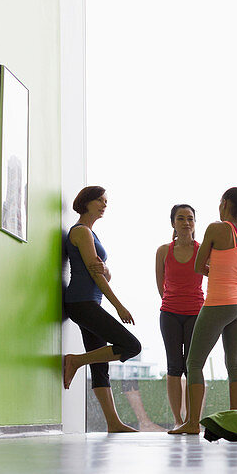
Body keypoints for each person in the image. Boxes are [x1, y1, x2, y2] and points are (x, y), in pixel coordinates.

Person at [170, 187, 237, 435]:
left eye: (221, 201)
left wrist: (212, 270)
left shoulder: (216, 228)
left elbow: (198, 265)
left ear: (226, 203)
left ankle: (192, 423)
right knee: (234, 364)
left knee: (194, 362)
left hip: (219, 302)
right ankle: (235, 421)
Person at [62, 185, 142, 432]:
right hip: (81, 303)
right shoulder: (82, 232)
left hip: (88, 303)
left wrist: (106, 269)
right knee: (131, 345)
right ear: (86, 202)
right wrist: (119, 306)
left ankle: (113, 423)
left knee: (101, 365)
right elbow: (96, 276)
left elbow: (104, 271)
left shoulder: (91, 234)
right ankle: (75, 361)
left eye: (106, 201)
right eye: (99, 200)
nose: (104, 204)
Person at [155, 203, 206, 430]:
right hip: (170, 314)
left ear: (195, 222)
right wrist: (172, 302)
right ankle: (177, 420)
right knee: (174, 367)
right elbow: (161, 284)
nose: (186, 222)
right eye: (181, 218)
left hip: (196, 313)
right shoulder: (163, 251)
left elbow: (216, 273)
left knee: (193, 366)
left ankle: (192, 420)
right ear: (173, 223)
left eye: (190, 218)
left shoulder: (202, 249)